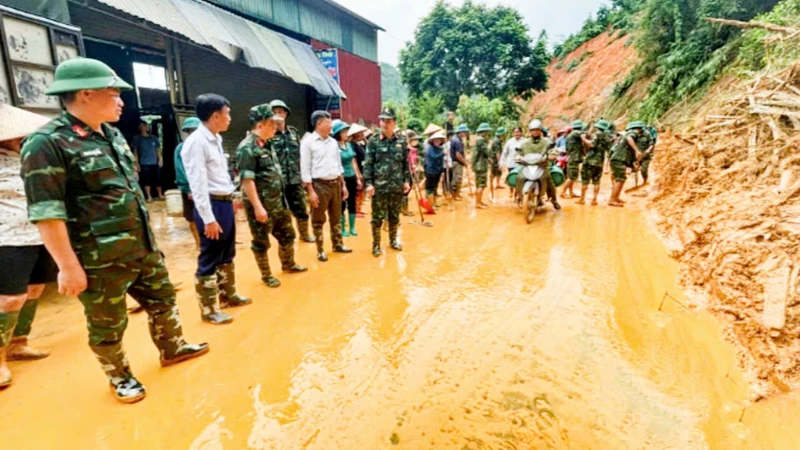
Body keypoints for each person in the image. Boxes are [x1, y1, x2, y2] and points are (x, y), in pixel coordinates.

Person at [21, 58, 208, 403]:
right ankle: (119, 376)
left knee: (163, 300)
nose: (122, 101)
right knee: (108, 323)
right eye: (115, 93)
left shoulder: (114, 135)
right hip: (98, 258)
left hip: (141, 247)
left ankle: (173, 347)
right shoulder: (47, 143)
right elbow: (47, 214)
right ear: (87, 94)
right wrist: (67, 266)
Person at [183, 94, 251, 325]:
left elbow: (219, 176)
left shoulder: (215, 139)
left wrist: (233, 197)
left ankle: (228, 295)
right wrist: (208, 218)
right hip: (210, 205)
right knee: (210, 256)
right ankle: (209, 309)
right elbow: (198, 183)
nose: (230, 118)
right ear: (215, 116)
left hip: (223, 202)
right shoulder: (197, 143)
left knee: (227, 252)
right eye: (227, 113)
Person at [0, 103, 53, 390]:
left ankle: (19, 342)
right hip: (7, 237)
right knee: (9, 298)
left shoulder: (26, 158)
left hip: (38, 233)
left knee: (35, 289)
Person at [237, 104, 307, 288]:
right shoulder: (247, 148)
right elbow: (247, 181)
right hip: (261, 205)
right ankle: (266, 275)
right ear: (260, 125)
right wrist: (258, 207)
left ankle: (288, 264)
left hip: (278, 202)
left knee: (287, 234)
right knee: (261, 241)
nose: (275, 127)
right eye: (271, 124)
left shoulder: (268, 143)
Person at [300, 111, 352, 262]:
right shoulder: (308, 142)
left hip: (335, 183)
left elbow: (338, 165)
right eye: (329, 122)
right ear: (319, 123)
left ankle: (338, 244)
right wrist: (310, 191)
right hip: (318, 185)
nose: (331, 126)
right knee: (318, 219)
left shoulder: (333, 142)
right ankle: (320, 250)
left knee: (336, 217)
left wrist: (343, 186)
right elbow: (305, 168)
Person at [364, 107, 411, 257]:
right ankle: (376, 245)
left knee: (394, 216)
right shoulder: (373, 141)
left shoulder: (401, 142)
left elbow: (405, 164)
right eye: (382, 120)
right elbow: (368, 164)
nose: (384, 124)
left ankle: (393, 241)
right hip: (379, 187)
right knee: (377, 218)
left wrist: (406, 181)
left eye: (388, 121)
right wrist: (369, 183)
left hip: (396, 186)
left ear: (394, 123)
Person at [270, 100, 315, 243]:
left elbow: (300, 155)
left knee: (301, 209)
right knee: (281, 213)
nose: (278, 114)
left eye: (281, 111)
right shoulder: (268, 135)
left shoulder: (293, 133)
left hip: (295, 179)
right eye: (274, 112)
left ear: (286, 114)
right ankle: (285, 239)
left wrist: (303, 174)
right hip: (278, 181)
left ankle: (304, 234)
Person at [516, 120, 561, 210]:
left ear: (540, 130)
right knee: (519, 178)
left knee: (549, 182)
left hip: (542, 167)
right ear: (530, 131)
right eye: (533, 130)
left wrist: (553, 154)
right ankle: (520, 196)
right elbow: (519, 152)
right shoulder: (525, 143)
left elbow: (553, 149)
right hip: (527, 167)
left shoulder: (546, 142)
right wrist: (518, 156)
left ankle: (554, 200)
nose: (535, 132)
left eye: (537, 130)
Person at [174, 117, 202, 249]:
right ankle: (198, 244)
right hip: (190, 188)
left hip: (206, 188)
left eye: (196, 130)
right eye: (191, 130)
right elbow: (180, 169)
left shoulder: (205, 145)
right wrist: (188, 189)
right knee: (192, 218)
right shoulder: (181, 148)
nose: (194, 132)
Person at [333, 120, 363, 237]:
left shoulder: (349, 145)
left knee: (352, 202)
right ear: (338, 133)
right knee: (341, 203)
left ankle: (352, 227)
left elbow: (353, 161)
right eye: (344, 131)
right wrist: (342, 181)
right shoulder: (334, 146)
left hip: (351, 176)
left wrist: (358, 177)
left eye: (346, 131)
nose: (346, 133)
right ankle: (342, 228)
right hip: (340, 177)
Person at [608, 121, 646, 207]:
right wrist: (637, 151)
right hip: (619, 159)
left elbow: (628, 152)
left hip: (617, 159)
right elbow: (629, 138)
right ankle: (612, 199)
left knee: (620, 179)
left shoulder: (625, 135)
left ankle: (615, 197)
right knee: (620, 179)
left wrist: (633, 164)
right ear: (638, 129)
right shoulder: (632, 133)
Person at [577, 120, 612, 206]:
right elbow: (608, 150)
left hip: (590, 161)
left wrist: (583, 138)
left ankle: (582, 199)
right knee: (596, 181)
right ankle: (594, 200)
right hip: (600, 162)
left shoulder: (596, 134)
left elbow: (591, 144)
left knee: (585, 180)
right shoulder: (607, 137)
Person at [131, 119, 163, 201]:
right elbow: (135, 152)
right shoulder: (136, 139)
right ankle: (149, 196)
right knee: (146, 180)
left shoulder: (154, 138)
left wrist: (160, 159)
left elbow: (158, 150)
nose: (143, 128)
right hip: (143, 162)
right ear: (139, 128)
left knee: (158, 179)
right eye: (141, 126)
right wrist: (136, 163)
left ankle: (160, 195)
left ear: (147, 127)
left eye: (144, 126)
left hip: (154, 162)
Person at [562, 120, 589, 199]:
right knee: (572, 177)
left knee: (571, 176)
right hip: (574, 158)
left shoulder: (570, 135)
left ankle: (571, 192)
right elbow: (584, 135)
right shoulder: (576, 133)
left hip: (571, 157)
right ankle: (563, 192)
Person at [349, 124, 369, 219]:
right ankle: (356, 210)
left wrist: (365, 139)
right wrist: (358, 173)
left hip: (362, 168)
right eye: (360, 133)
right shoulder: (352, 145)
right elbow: (353, 160)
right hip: (357, 170)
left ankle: (359, 208)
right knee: (357, 190)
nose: (362, 134)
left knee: (361, 191)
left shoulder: (359, 144)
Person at [501, 127, 525, 199]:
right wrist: (502, 162)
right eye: (515, 132)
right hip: (511, 163)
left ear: (521, 133)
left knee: (520, 179)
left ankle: (517, 193)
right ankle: (511, 191)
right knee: (511, 178)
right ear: (513, 133)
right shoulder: (509, 142)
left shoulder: (525, 141)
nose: (516, 134)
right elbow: (504, 152)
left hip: (521, 164)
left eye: (518, 132)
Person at [472, 123, 493, 208]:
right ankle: (477, 203)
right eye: (487, 132)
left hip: (478, 165)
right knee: (481, 184)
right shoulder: (481, 140)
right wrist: (490, 145)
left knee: (479, 184)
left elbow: (482, 153)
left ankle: (479, 201)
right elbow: (487, 151)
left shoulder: (478, 140)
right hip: (480, 166)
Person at [424, 131, 447, 208]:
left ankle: (434, 202)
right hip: (431, 170)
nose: (437, 141)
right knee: (430, 188)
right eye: (435, 140)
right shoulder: (430, 148)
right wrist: (443, 153)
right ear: (432, 141)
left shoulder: (440, 149)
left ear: (441, 141)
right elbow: (434, 157)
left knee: (435, 187)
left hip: (438, 170)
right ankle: (430, 204)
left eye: (439, 140)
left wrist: (442, 170)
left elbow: (441, 160)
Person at [402, 131, 421, 217]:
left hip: (413, 171)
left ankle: (404, 209)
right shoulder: (406, 150)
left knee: (409, 190)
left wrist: (415, 166)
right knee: (405, 191)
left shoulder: (414, 150)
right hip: (407, 172)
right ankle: (404, 209)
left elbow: (415, 160)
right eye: (414, 139)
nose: (415, 141)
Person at [450, 124, 469, 200]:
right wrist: (465, 162)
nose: (465, 134)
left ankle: (456, 194)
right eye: (464, 132)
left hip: (455, 162)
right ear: (460, 132)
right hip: (457, 163)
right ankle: (455, 195)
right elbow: (458, 154)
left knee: (456, 178)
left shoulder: (456, 139)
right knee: (457, 179)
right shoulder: (457, 141)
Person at [490, 127, 506, 194]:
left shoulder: (498, 140)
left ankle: (497, 184)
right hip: (495, 160)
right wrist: (499, 161)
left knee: (499, 172)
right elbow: (497, 152)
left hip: (496, 159)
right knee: (494, 172)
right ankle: (491, 185)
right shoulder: (497, 141)